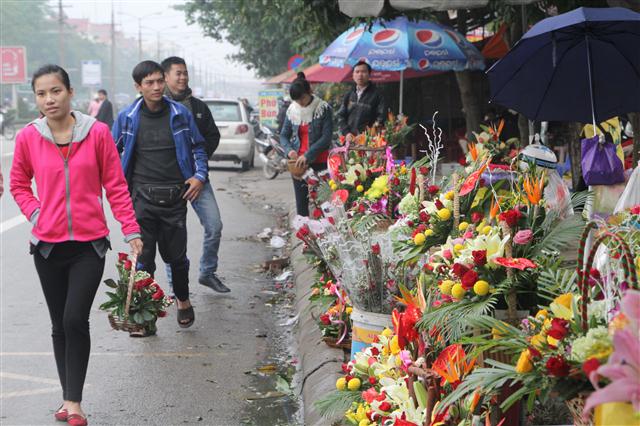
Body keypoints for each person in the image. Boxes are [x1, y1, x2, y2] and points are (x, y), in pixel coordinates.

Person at [10, 64, 143, 426]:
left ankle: (74, 402)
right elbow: (19, 183)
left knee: (74, 319)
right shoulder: (28, 137)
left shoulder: (97, 133)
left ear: (70, 93)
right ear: (35, 98)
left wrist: (131, 230)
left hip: (89, 245)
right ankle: (67, 400)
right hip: (48, 247)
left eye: (55, 91)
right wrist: (37, 214)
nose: (49, 99)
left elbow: (115, 186)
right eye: (41, 93)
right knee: (58, 324)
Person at [112, 60, 208, 333]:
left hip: (175, 198)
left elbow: (198, 147)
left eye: (158, 81)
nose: (156, 87)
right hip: (141, 198)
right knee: (144, 261)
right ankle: (146, 317)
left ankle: (183, 299)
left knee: (177, 258)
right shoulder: (127, 117)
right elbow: (110, 153)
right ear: (138, 86)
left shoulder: (179, 113)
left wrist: (199, 176)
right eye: (149, 83)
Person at [161, 56, 228, 293]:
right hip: (168, 182)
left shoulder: (198, 107)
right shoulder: (157, 107)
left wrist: (198, 171)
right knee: (174, 238)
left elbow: (212, 137)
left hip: (198, 179)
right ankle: (174, 288)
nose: (182, 77)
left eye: (185, 73)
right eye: (177, 73)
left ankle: (207, 272)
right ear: (165, 77)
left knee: (215, 225)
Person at [280, 72, 332, 217]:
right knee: (301, 204)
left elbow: (326, 137)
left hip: (320, 162)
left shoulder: (323, 108)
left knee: (323, 203)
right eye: (297, 100)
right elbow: (283, 135)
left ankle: (325, 236)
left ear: (310, 92)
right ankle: (305, 236)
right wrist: (289, 151)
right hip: (299, 165)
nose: (300, 103)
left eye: (302, 98)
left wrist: (308, 155)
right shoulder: (292, 110)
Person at [337, 61, 386, 143]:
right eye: (357, 72)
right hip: (349, 140)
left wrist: (366, 135)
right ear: (353, 75)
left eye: (363, 71)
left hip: (369, 142)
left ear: (369, 75)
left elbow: (381, 119)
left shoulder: (378, 95)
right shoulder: (349, 94)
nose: (360, 74)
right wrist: (347, 133)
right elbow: (341, 116)